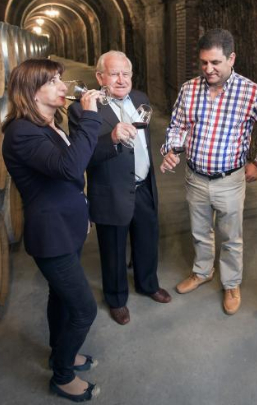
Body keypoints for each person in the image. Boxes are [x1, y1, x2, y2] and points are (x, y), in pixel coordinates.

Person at [1, 59, 102, 401]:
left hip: (67, 225)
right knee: (84, 308)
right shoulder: (21, 133)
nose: (64, 87)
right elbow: (71, 165)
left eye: (61, 79)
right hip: (51, 236)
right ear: (32, 90)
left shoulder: (47, 124)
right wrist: (89, 116)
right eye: (55, 81)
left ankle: (62, 352)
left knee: (60, 298)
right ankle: (61, 375)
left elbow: (72, 178)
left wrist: (82, 211)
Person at [160, 28, 257, 315]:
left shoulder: (252, 93)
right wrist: (172, 149)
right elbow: (177, 125)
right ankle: (202, 272)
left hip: (230, 179)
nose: (208, 69)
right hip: (195, 176)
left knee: (231, 236)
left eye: (215, 63)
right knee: (200, 231)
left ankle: (231, 282)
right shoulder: (189, 89)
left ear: (231, 58)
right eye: (203, 63)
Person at [68, 50, 171, 327]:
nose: (121, 79)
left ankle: (148, 284)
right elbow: (83, 156)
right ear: (100, 76)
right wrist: (112, 138)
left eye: (126, 73)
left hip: (143, 185)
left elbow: (144, 141)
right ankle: (116, 299)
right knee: (113, 249)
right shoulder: (82, 109)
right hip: (111, 190)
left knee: (148, 239)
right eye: (114, 74)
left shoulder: (140, 99)